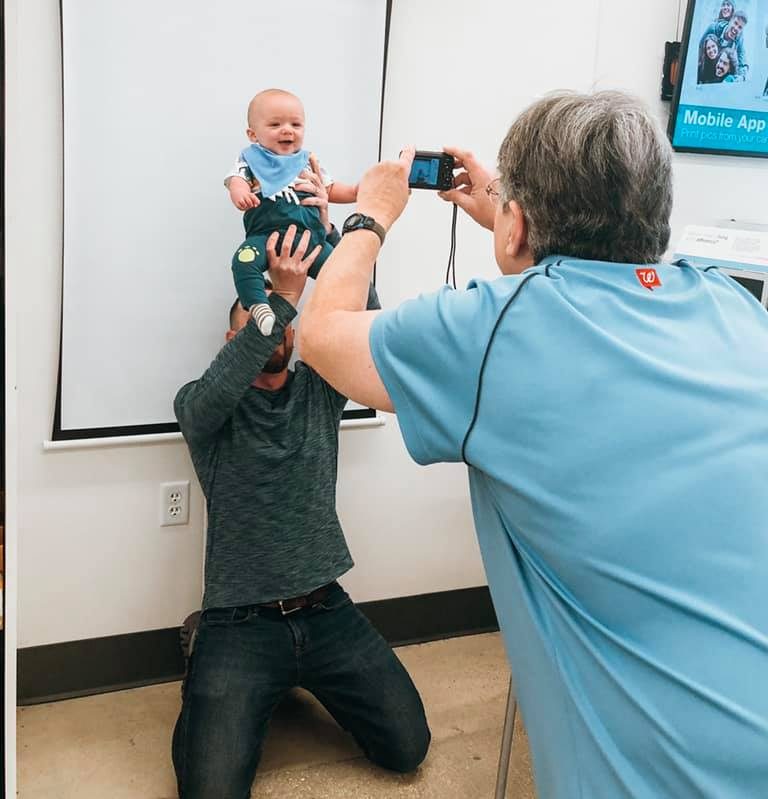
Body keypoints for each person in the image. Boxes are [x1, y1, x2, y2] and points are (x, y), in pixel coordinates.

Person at [298, 91, 768, 798]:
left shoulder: (495, 332)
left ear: (516, 226)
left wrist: (369, 216)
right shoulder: (734, 305)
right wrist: (507, 214)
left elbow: (322, 334)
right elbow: (595, 275)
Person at [171, 222, 430, 798]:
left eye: (281, 322)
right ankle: (204, 653)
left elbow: (367, 327)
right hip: (239, 623)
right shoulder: (202, 406)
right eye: (255, 321)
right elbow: (234, 370)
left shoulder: (317, 390)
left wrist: (332, 243)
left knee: (407, 747)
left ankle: (294, 679)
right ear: (229, 341)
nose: (275, 331)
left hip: (325, 610)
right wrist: (282, 298)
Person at [225, 88, 358, 335]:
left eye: (296, 124)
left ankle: (344, 320)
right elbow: (236, 180)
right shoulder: (250, 159)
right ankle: (259, 306)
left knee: (343, 272)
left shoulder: (307, 162)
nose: (287, 130)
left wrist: (357, 191)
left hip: (312, 242)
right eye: (275, 124)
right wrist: (240, 193)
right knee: (242, 261)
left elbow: (331, 189)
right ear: (253, 134)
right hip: (266, 239)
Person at [701, 10, 749, 79]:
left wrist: (741, 77)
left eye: (740, 27)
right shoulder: (713, 28)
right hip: (705, 67)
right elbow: (697, 48)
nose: (736, 28)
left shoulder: (739, 39)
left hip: (718, 73)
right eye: (735, 23)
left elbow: (743, 63)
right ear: (730, 20)